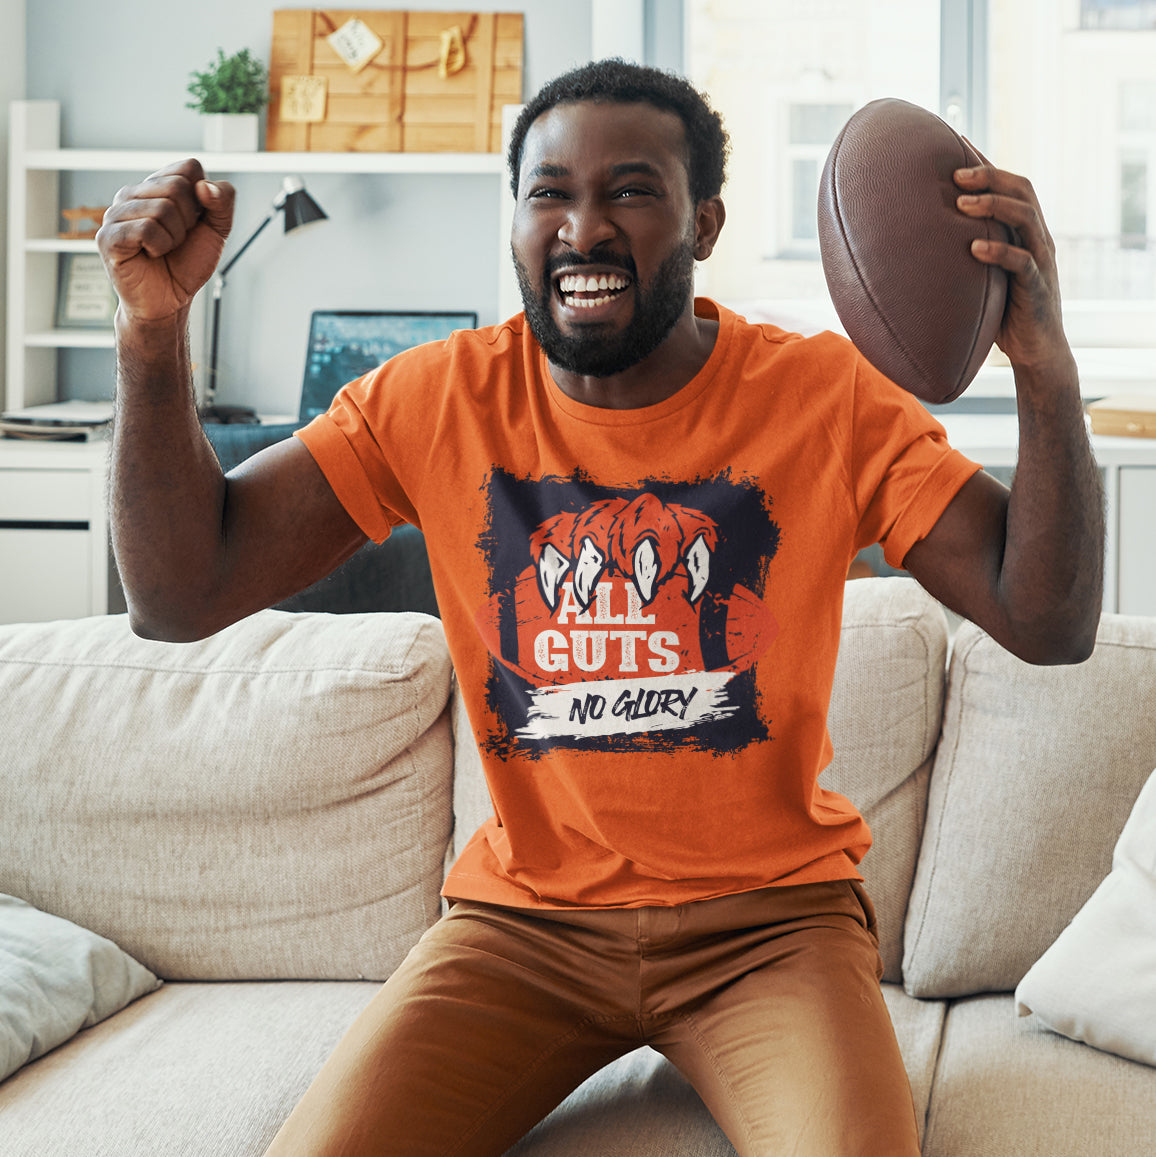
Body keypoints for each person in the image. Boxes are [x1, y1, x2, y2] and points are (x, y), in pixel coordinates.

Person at [97, 59, 1103, 1157]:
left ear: (704, 222)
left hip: (771, 927)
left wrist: (1044, 367)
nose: (584, 227)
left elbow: (1044, 620)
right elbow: (181, 594)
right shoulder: (436, 398)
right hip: (518, 930)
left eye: (631, 190)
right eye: (548, 193)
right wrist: (151, 338)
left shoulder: (821, 398)